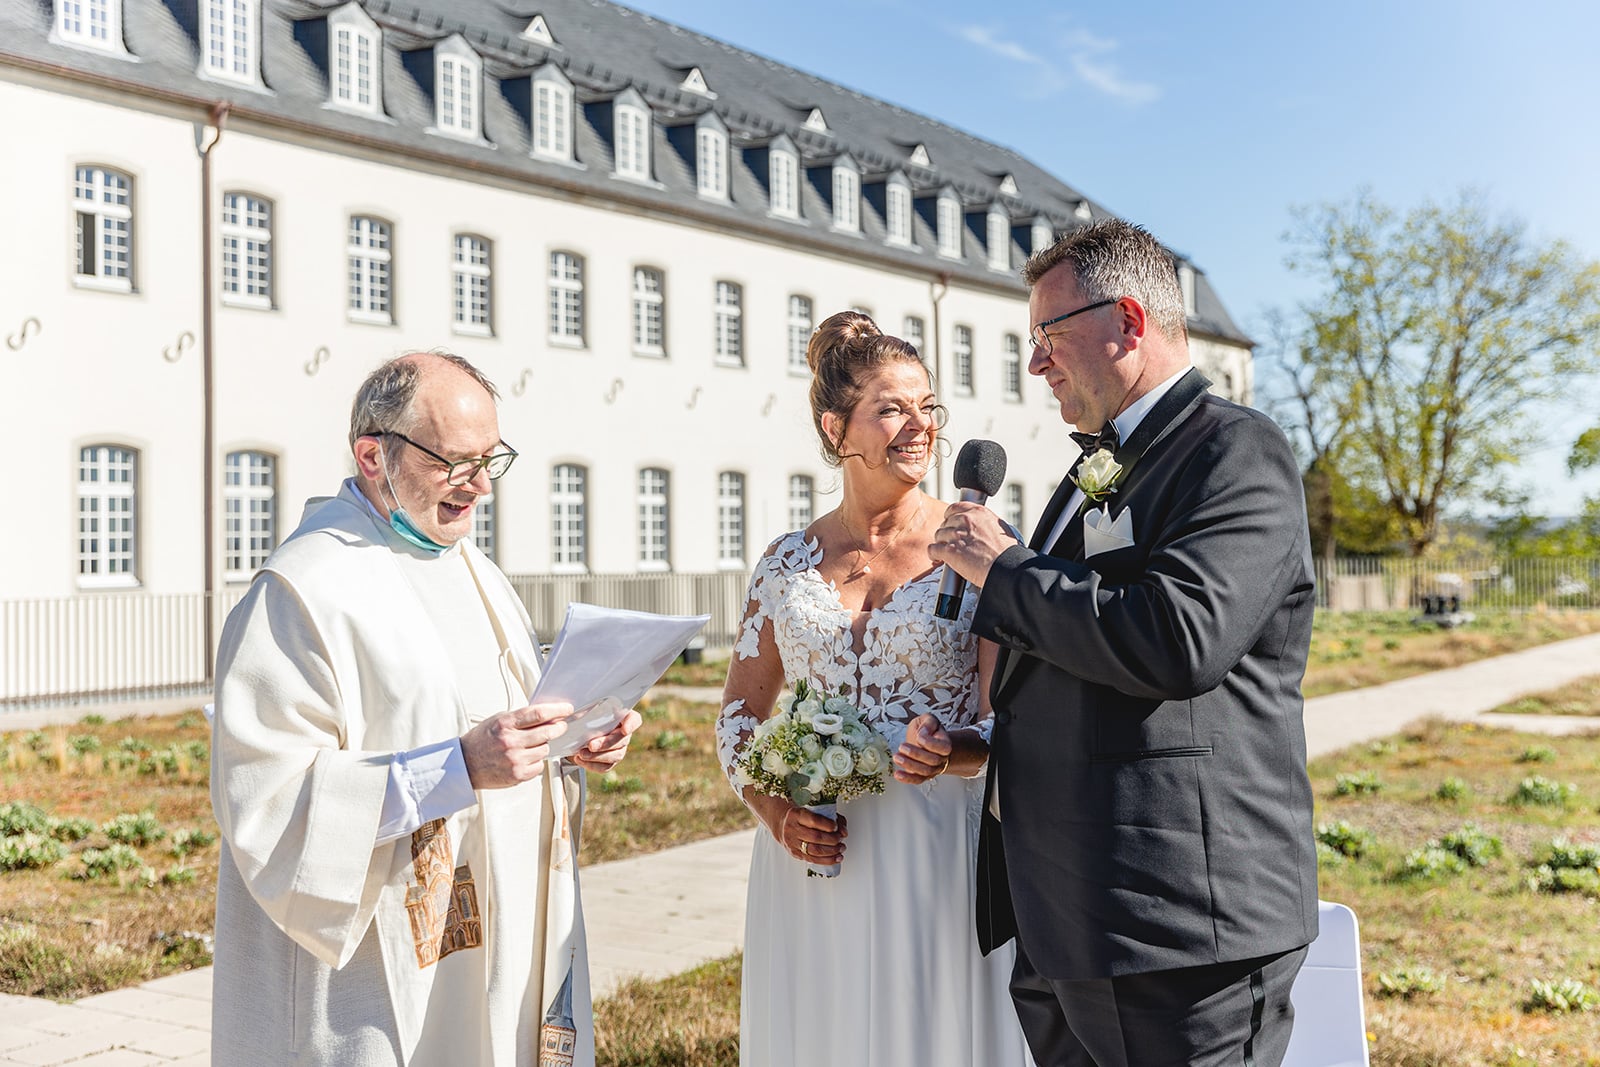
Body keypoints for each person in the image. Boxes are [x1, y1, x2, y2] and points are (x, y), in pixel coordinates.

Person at [926, 219, 1319, 1067]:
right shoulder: (1087, 469)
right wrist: (980, 740)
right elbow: (1064, 660)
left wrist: (1009, 572)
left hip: (1178, 935)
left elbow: (1179, 639)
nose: (1036, 364)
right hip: (1068, 922)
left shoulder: (1235, 449)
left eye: (1049, 335)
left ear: (1128, 322)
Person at [210, 352, 641, 1066]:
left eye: (490, 460)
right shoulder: (303, 590)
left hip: (497, 938)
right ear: (373, 454)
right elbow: (268, 800)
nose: (479, 487)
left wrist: (573, 740)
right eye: (455, 462)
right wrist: (460, 766)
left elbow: (511, 726)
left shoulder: (475, 570)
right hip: (381, 954)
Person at [716, 312, 1032, 1067]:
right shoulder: (785, 562)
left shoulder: (977, 543)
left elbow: (1012, 722)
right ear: (837, 429)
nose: (919, 427)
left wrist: (951, 748)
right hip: (813, 859)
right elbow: (737, 714)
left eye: (928, 407)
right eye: (892, 408)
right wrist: (776, 810)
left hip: (938, 857)